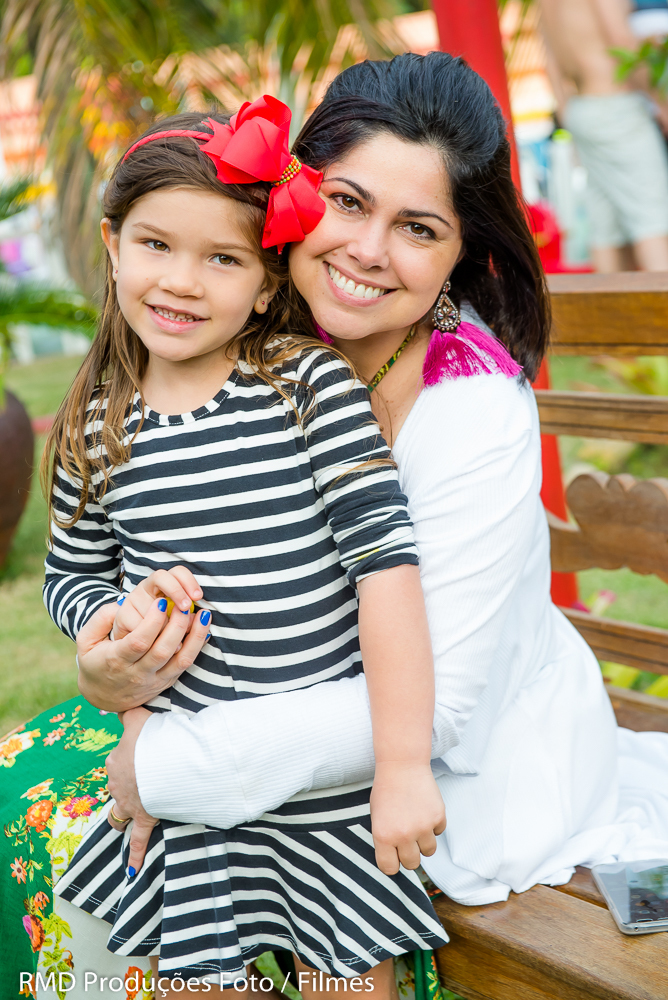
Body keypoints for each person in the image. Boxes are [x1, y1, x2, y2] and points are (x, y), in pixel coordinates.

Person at [3, 51, 668, 998]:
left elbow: (439, 712)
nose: (366, 250)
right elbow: (125, 543)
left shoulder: (474, 412)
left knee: (81, 813)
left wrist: (166, 763)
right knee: (20, 788)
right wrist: (109, 660)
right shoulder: (246, 335)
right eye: (347, 203)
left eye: (418, 228)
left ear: (459, 254)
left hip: (434, 765)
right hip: (237, 705)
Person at [34, 95, 455, 996]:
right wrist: (110, 618)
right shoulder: (95, 428)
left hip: (325, 792)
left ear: (266, 283)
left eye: (222, 258)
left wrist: (401, 764)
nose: (183, 282)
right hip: (191, 785)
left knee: (347, 984)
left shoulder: (305, 386)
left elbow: (384, 563)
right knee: (199, 983)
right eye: (156, 245)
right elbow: (69, 573)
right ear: (112, 246)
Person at [539, 0, 668, 272]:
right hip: (616, 105)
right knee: (653, 223)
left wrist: (569, 117)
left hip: (581, 108)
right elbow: (621, 39)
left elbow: (551, 61)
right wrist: (661, 101)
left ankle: (607, 302)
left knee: (607, 231)